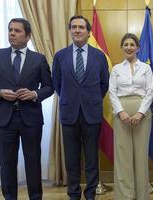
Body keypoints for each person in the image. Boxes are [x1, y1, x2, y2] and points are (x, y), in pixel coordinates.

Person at [0, 18, 54, 200]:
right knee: (6, 164)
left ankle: (36, 197)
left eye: (17, 31)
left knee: (33, 163)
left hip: (31, 119)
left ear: (28, 36)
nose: (12, 33)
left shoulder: (39, 59)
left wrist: (34, 94)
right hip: (4, 119)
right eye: (10, 30)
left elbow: (49, 87)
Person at [52, 15, 109, 200]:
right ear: (70, 31)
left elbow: (104, 84)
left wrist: (89, 99)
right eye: (74, 27)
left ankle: (91, 194)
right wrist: (72, 99)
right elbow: (57, 84)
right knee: (71, 159)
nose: (77, 30)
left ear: (88, 31)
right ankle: (74, 194)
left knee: (92, 159)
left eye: (81, 27)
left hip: (92, 113)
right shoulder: (60, 56)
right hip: (69, 114)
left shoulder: (99, 56)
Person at [109, 33, 153, 200]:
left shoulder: (146, 68)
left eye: (132, 44)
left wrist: (140, 113)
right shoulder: (116, 69)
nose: (129, 47)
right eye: (125, 44)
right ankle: (125, 196)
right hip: (121, 115)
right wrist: (121, 112)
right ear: (122, 48)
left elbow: (150, 92)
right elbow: (112, 93)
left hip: (142, 114)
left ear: (137, 48)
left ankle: (142, 195)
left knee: (141, 155)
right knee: (123, 156)